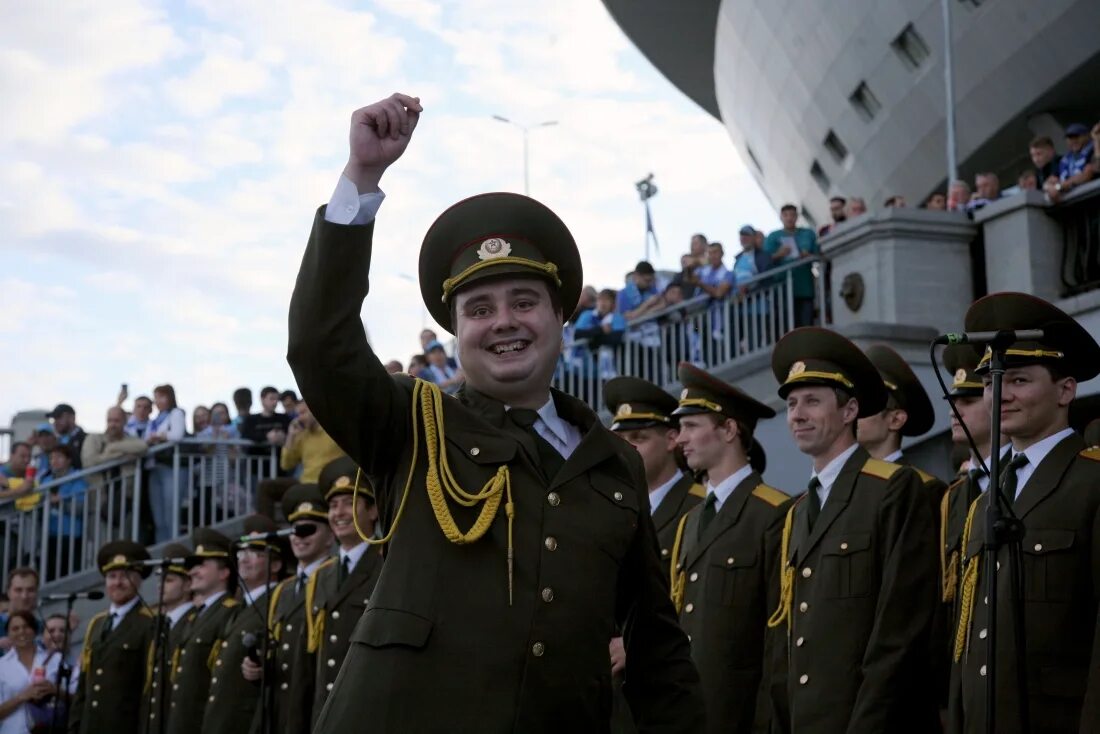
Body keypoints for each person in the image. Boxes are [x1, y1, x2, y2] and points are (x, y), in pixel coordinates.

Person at [286, 93, 703, 732]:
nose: (503, 322)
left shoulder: (614, 461)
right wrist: (361, 182)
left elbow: (655, 643)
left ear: (560, 317)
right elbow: (320, 345)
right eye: (478, 310)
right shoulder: (412, 424)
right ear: (455, 332)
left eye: (523, 301)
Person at [766, 327, 938, 734]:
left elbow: (899, 630)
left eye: (812, 401)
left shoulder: (893, 488)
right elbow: (784, 638)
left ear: (849, 411)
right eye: (791, 404)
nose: (798, 414)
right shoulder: (799, 509)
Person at [946, 292, 1100, 734]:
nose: (1001, 395)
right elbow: (967, 633)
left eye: (1018, 380)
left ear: (1065, 389)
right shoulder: (984, 496)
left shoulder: (1091, 482)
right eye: (993, 382)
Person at [669, 363, 790, 734]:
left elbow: (776, 637)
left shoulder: (773, 512)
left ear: (729, 429)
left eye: (691, 426)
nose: (680, 439)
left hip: (738, 713)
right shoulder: (691, 521)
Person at [289, 458, 385, 731]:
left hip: (367, 715)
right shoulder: (321, 576)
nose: (339, 512)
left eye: (348, 503)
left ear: (373, 510)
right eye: (332, 505)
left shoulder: (387, 566)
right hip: (325, 716)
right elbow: (306, 664)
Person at [246, 483, 333, 734]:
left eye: (309, 529)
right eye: (294, 530)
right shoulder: (284, 590)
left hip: (312, 711)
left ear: (330, 536)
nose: (299, 536)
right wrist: (257, 666)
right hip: (278, 713)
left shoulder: (334, 580)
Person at [603, 377, 704, 560]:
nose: (625, 449)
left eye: (638, 438)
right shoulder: (613, 509)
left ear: (672, 439)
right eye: (620, 440)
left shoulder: (700, 505)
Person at [202, 516, 285, 734]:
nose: (244, 559)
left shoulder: (279, 602)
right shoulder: (242, 607)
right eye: (241, 552)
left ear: (276, 564)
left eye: (255, 553)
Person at [70, 540, 155, 734]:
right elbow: (85, 684)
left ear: (139, 580)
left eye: (125, 576)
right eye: (111, 576)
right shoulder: (97, 623)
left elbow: (148, 688)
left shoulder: (149, 623)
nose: (117, 582)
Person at [165, 529, 239, 734]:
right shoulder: (195, 617)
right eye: (193, 566)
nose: (192, 572)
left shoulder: (230, 612)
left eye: (202, 565)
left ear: (224, 572)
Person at [858, 344, 948, 500]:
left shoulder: (922, 487)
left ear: (896, 419)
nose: (853, 415)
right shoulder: (846, 483)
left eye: (867, 407)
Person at [255, 402, 344, 520]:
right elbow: (286, 465)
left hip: (327, 484)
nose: (299, 418)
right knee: (265, 486)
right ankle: (266, 530)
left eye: (303, 413)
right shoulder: (302, 435)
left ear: (315, 410)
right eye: (298, 414)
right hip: (304, 482)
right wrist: (291, 435)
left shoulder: (333, 431)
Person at [145, 544, 193, 734]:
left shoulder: (192, 622)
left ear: (188, 584)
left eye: (169, 580)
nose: (160, 585)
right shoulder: (159, 624)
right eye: (160, 579)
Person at [0, 611, 60, 734]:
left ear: (35, 630)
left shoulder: (55, 659)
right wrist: (23, 696)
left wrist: (54, 690)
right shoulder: (2, 666)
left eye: (26, 626)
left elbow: (75, 699)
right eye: (15, 629)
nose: (21, 631)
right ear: (8, 634)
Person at [763, 205, 820, 327]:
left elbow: (819, 254)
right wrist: (779, 254)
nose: (789, 218)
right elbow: (765, 261)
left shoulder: (808, 233)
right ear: (781, 217)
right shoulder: (773, 236)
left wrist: (808, 255)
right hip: (782, 289)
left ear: (797, 217)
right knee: (786, 326)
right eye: (786, 215)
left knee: (806, 325)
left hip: (805, 288)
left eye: (792, 215)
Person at [145, 384, 187, 543]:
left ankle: (173, 548)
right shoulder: (155, 419)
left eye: (162, 396)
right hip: (155, 467)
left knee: (171, 515)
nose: (158, 401)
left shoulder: (176, 413)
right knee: (159, 519)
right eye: (156, 397)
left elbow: (177, 435)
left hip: (172, 467)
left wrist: (160, 436)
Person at [44, 445, 89, 579]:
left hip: (70, 534)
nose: (54, 460)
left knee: (69, 575)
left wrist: (61, 501)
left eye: (59, 457)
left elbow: (80, 508)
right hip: (49, 534)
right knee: (50, 574)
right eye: (51, 457)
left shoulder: (78, 479)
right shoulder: (46, 480)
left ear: (69, 460)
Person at [0, 571, 40, 651]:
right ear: (8, 592)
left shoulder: (44, 628)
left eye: (30, 590)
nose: (24, 596)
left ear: (37, 593)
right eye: (18, 590)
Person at [47, 404, 86, 470]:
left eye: (59, 417)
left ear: (72, 418)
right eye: (54, 419)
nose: (55, 422)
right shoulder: (57, 441)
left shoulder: (85, 439)